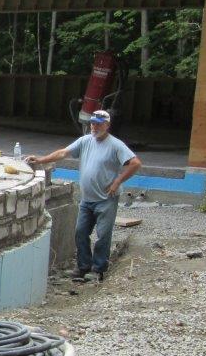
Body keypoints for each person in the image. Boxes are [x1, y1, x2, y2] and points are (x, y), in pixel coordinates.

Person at [25, 110, 142, 282]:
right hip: (87, 199)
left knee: (103, 235)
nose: (94, 126)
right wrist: (42, 160)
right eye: (92, 123)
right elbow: (63, 153)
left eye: (98, 124)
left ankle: (98, 269)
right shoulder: (85, 140)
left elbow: (135, 163)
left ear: (107, 125)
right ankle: (83, 267)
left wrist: (117, 181)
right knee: (80, 232)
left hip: (106, 199)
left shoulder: (115, 145)